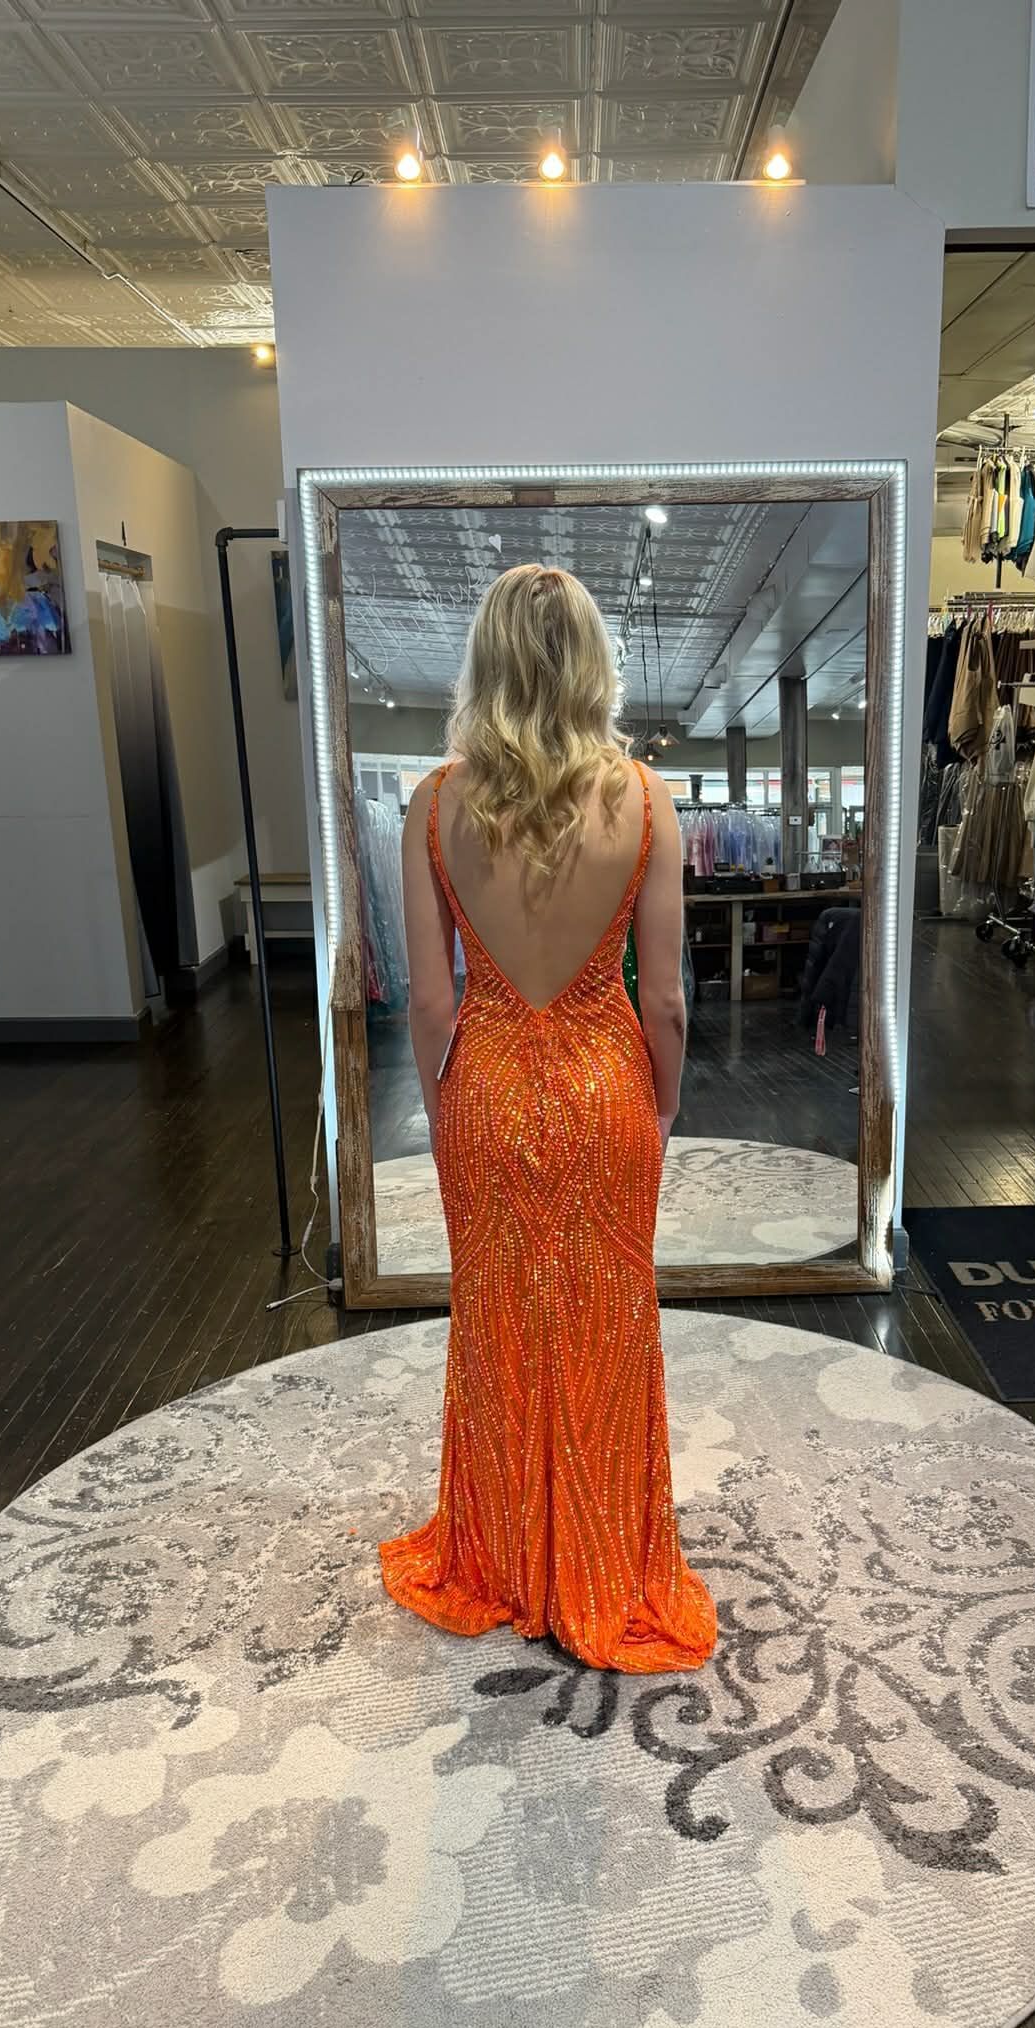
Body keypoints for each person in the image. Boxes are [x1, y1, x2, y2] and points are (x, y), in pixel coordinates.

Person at [380, 563, 717, 1673]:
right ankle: (606, 1557)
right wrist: (663, 1097)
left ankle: (505, 1559)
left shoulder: (432, 806)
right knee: (610, 1325)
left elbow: (431, 1001)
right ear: (592, 664)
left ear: (484, 661)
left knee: (498, 1321)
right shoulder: (646, 799)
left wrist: (445, 1105)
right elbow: (664, 994)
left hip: (487, 1086)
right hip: (604, 1083)